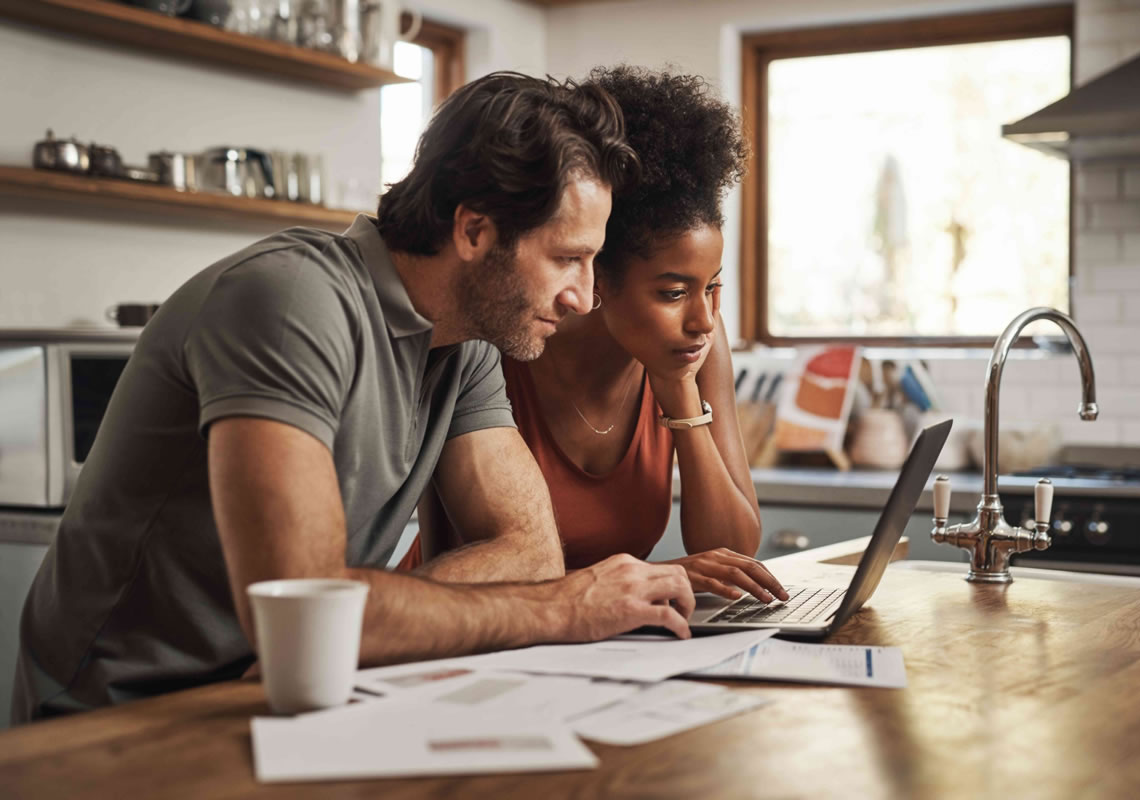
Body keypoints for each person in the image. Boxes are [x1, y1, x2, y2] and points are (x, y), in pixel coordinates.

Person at [11, 72, 696, 724]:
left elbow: (529, 553)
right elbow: (306, 611)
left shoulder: (467, 344)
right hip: (124, 717)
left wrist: (357, 624)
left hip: (294, 691)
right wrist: (559, 609)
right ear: (474, 231)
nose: (580, 298)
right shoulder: (289, 302)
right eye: (566, 258)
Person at [418, 67, 787, 605]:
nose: (703, 319)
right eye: (671, 292)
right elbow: (457, 560)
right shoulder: (502, 341)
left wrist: (679, 391)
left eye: (712, 287)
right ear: (597, 275)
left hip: (604, 637)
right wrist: (656, 576)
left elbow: (734, 552)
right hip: (472, 628)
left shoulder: (695, 345)